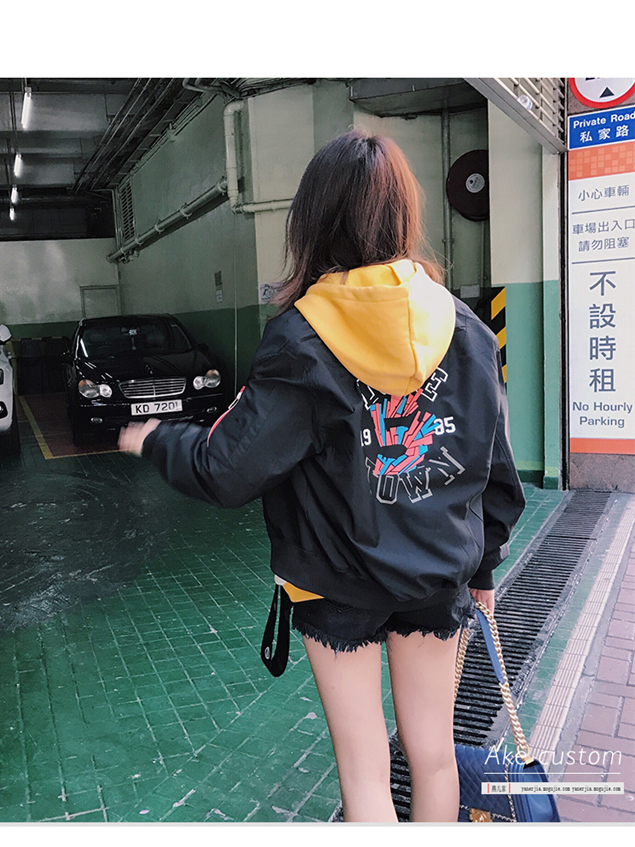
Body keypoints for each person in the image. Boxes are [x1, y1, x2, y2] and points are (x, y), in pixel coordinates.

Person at [118, 129, 525, 823]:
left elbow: (227, 468)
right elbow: (493, 468)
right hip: (438, 578)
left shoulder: (302, 338)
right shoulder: (466, 329)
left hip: (335, 584)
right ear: (403, 215)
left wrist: (157, 440)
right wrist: (483, 566)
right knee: (433, 755)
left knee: (365, 772)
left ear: (313, 220)